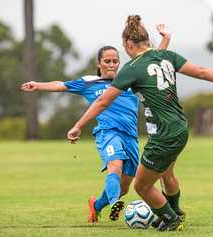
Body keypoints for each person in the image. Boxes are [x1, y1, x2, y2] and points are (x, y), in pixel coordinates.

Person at [67, 15, 213, 231]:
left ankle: (172, 219)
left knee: (141, 185)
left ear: (128, 44)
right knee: (167, 174)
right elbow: (201, 72)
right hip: (180, 128)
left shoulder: (132, 68)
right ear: (148, 42)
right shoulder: (166, 56)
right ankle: (175, 214)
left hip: (163, 134)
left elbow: (102, 102)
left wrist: (78, 125)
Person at [21, 24, 171, 224]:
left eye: (115, 61)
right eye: (107, 61)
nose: (111, 64)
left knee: (125, 186)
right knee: (114, 166)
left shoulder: (129, 77)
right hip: (108, 133)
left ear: (119, 63)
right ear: (99, 63)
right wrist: (37, 85)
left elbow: (153, 61)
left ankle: (97, 205)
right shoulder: (89, 82)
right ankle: (116, 202)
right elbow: (61, 85)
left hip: (131, 137)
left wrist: (166, 39)